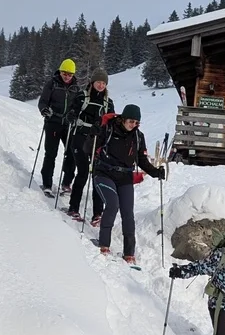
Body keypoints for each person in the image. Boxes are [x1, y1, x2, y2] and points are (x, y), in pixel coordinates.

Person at [85, 104, 164, 264]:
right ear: (123, 119)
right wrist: (92, 135)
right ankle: (104, 244)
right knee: (112, 204)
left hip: (125, 176)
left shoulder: (138, 137)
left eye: (136, 122)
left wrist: (155, 172)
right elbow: (88, 149)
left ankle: (129, 253)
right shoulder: (107, 129)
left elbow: (141, 160)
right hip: (104, 173)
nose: (133, 125)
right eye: (130, 121)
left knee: (128, 212)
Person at [63, 69, 114, 223]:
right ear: (92, 82)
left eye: (103, 83)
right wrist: (72, 117)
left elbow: (111, 122)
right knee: (83, 172)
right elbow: (71, 113)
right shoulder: (81, 97)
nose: (101, 85)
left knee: (97, 175)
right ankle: (73, 208)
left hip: (97, 142)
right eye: (98, 82)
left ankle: (98, 213)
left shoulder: (108, 103)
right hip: (80, 139)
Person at [36, 59, 85, 197]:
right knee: (51, 153)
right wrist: (44, 110)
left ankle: (66, 183)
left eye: (70, 74)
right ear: (60, 71)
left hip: (68, 124)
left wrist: (74, 115)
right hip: (53, 122)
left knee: (71, 153)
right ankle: (47, 183)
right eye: (65, 73)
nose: (67, 76)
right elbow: (43, 101)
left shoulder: (76, 88)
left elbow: (77, 106)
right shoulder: (52, 84)